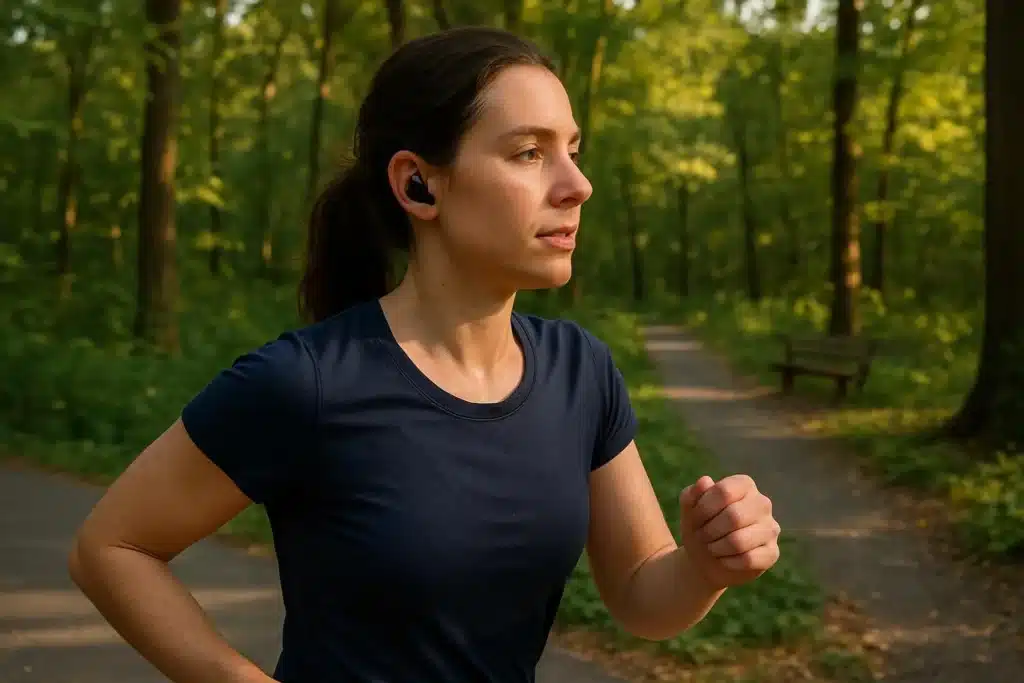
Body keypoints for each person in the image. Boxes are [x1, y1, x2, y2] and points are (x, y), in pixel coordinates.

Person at [68, 26, 781, 683]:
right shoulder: (307, 382)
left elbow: (640, 594)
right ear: (418, 182)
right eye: (530, 153)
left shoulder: (581, 370)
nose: (577, 185)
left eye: (573, 149)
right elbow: (112, 548)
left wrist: (704, 564)